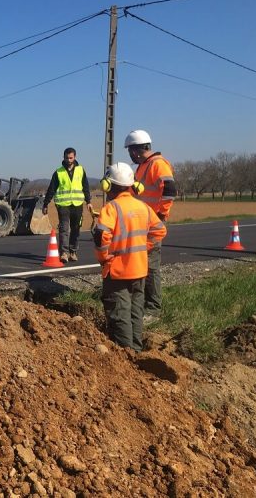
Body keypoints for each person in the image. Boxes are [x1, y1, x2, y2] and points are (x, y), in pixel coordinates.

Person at [93, 162, 166, 351]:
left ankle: (127, 356)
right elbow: (159, 231)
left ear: (108, 186)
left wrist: (104, 258)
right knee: (135, 312)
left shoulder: (111, 208)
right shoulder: (143, 207)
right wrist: (143, 248)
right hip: (140, 271)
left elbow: (102, 237)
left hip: (117, 272)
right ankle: (137, 351)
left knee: (119, 315)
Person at [124, 129, 176, 322]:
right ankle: (140, 301)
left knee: (151, 266)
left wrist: (161, 215)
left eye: (130, 150)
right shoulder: (144, 166)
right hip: (142, 222)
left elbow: (169, 190)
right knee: (141, 262)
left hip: (152, 223)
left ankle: (153, 308)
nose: (130, 155)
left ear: (136, 150)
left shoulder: (157, 164)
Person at [42, 147, 93, 263]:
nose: (69, 160)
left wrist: (88, 202)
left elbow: (85, 187)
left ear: (75, 157)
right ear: (63, 157)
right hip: (63, 204)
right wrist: (46, 204)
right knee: (64, 229)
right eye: (66, 158)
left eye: (71, 158)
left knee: (76, 229)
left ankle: (73, 251)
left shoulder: (81, 170)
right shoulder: (58, 172)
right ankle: (64, 253)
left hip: (77, 204)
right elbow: (51, 189)